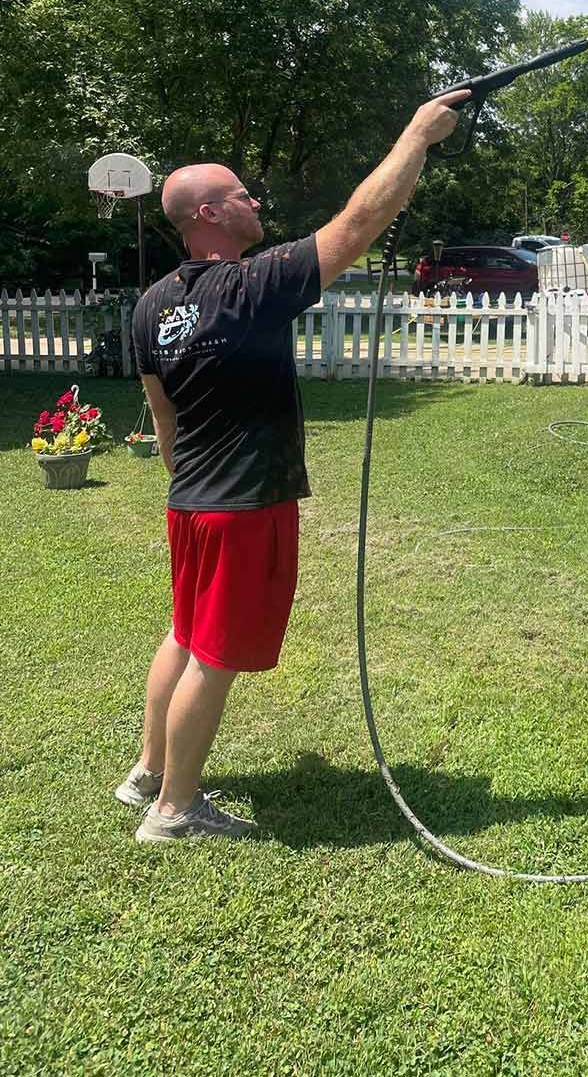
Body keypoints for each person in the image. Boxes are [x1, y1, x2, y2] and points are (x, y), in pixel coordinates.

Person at [118, 91, 466, 844]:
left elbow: (164, 415)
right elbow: (359, 223)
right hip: (244, 504)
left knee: (183, 632)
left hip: (191, 501)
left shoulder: (149, 306)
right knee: (212, 653)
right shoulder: (253, 287)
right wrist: (416, 134)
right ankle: (174, 810)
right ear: (208, 214)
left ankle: (146, 769)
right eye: (240, 193)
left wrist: (190, 483)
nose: (253, 200)